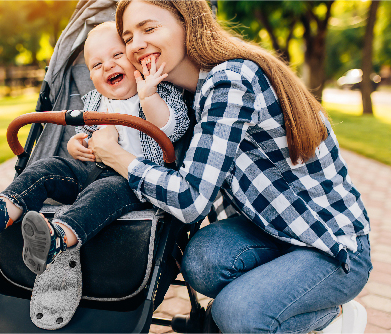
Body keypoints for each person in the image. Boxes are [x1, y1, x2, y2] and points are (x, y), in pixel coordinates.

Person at [87, 1, 372, 333]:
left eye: (149, 29)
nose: (136, 44)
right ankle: (265, 300)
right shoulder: (184, 95)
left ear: (187, 23)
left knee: (237, 313)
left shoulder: (231, 81)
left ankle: (323, 310)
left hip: (330, 244)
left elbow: (190, 199)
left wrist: (115, 156)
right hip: (269, 228)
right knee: (201, 262)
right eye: (128, 36)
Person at [0, 21, 189, 275]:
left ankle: (58, 237)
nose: (107, 65)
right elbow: (84, 135)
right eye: (97, 65)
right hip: (91, 173)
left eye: (117, 55)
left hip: (135, 184)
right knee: (47, 167)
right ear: (91, 78)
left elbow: (172, 129)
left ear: (137, 58)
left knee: (107, 188)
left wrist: (148, 96)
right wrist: (76, 145)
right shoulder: (96, 101)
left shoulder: (159, 90)